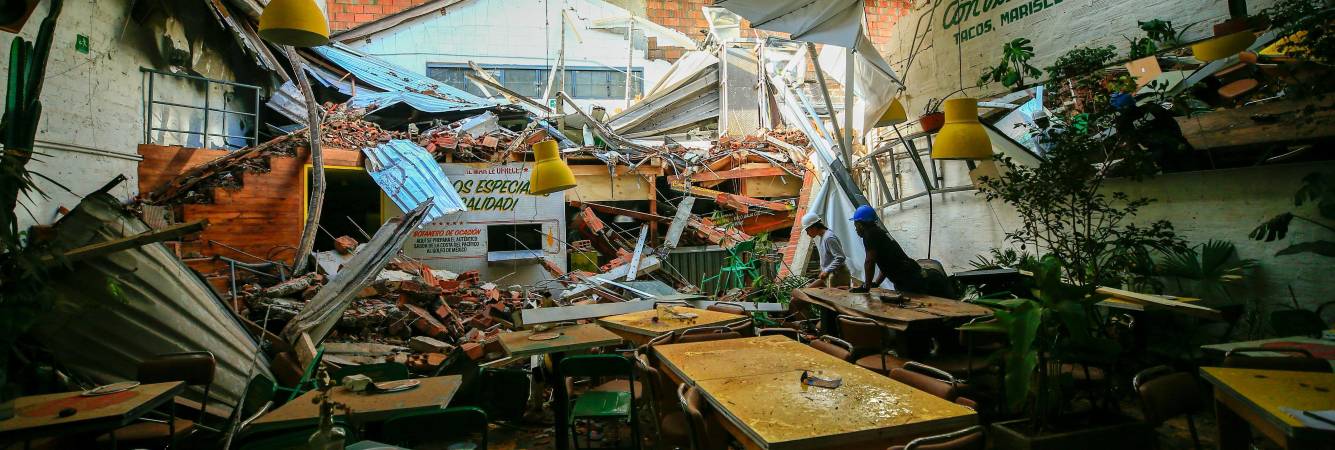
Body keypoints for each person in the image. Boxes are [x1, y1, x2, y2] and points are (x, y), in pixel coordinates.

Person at [848, 205, 932, 294]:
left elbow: (869, 261)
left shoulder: (869, 234)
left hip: (908, 280)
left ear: (860, 225)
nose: (856, 229)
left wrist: (866, 287)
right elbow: (886, 262)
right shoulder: (879, 232)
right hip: (911, 275)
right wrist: (876, 283)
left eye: (856, 225)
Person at [801, 212, 850, 288]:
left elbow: (840, 257)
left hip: (838, 275)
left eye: (807, 230)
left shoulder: (829, 238)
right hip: (832, 274)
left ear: (814, 227)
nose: (807, 233)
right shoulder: (823, 237)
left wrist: (827, 270)